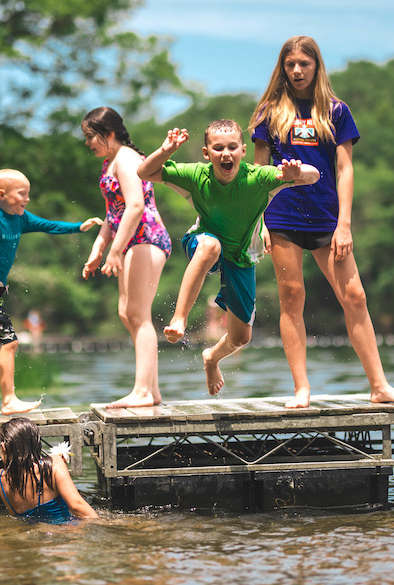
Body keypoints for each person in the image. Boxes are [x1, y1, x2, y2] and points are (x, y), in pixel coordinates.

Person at [249, 35, 394, 409]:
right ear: (282, 68)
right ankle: (301, 389)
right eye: (290, 64)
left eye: (304, 64)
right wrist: (258, 222)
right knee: (293, 298)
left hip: (327, 218)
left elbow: (345, 168)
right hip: (282, 216)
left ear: (316, 66)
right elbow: (256, 173)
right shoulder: (269, 112)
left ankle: (379, 386)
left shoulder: (336, 111)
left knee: (354, 296)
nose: (296, 71)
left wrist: (344, 224)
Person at [137, 119, 320, 396]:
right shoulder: (197, 175)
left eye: (232, 147)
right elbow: (144, 172)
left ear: (243, 151)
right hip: (202, 241)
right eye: (218, 148)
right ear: (206, 153)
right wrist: (165, 150)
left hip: (241, 256)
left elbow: (313, 175)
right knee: (211, 246)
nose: (226, 153)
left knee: (240, 337)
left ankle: (211, 359)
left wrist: (296, 171)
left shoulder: (258, 178)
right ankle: (180, 318)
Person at [0, 169, 102, 418]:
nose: (27, 199)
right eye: (23, 194)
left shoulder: (21, 218)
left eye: (28, 194)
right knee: (10, 342)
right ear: (2, 195)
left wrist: (79, 227)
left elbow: (49, 225)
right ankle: (8, 400)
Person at [81, 106, 173, 409]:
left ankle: (143, 391)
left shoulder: (127, 159)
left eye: (91, 137)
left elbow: (135, 206)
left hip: (145, 238)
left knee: (137, 314)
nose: (87, 143)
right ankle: (152, 390)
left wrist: (116, 251)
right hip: (130, 240)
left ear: (109, 134)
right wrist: (99, 248)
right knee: (127, 313)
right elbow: (113, 212)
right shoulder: (111, 161)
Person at [0, 417, 97, 523]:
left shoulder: (0, 478)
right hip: (65, 532)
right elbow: (77, 506)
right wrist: (103, 523)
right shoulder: (54, 464)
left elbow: (16, 516)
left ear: (3, 447)